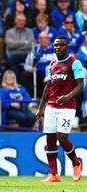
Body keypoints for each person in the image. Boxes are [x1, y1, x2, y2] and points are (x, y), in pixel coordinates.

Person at [35, 35, 83, 182]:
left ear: (66, 46)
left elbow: (80, 85)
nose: (57, 47)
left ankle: (76, 163)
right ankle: (53, 174)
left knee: (62, 138)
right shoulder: (52, 64)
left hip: (67, 107)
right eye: (55, 45)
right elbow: (48, 87)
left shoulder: (74, 63)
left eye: (61, 45)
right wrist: (41, 108)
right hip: (51, 106)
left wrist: (68, 97)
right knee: (50, 139)